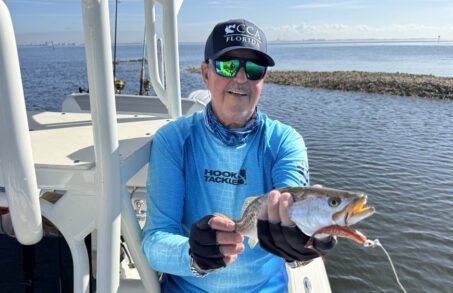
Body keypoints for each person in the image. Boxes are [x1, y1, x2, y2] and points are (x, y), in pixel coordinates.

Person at [142, 19, 335, 292]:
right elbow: (154, 240)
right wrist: (194, 254)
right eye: (227, 65)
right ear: (205, 73)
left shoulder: (285, 141)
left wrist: (309, 238)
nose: (241, 78)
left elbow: (292, 197)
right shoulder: (173, 140)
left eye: (254, 69)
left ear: (263, 78)